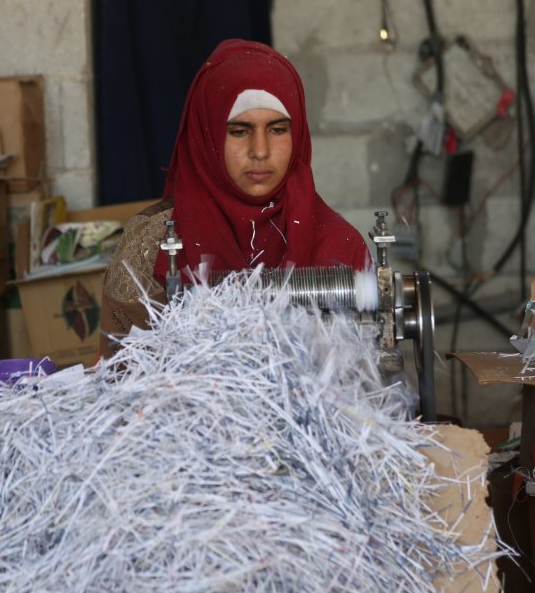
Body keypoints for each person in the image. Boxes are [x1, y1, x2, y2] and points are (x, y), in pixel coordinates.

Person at [99, 39, 370, 358]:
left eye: (278, 130)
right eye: (239, 131)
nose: (260, 151)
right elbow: (121, 381)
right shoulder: (148, 247)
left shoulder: (341, 246)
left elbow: (368, 384)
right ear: (207, 135)